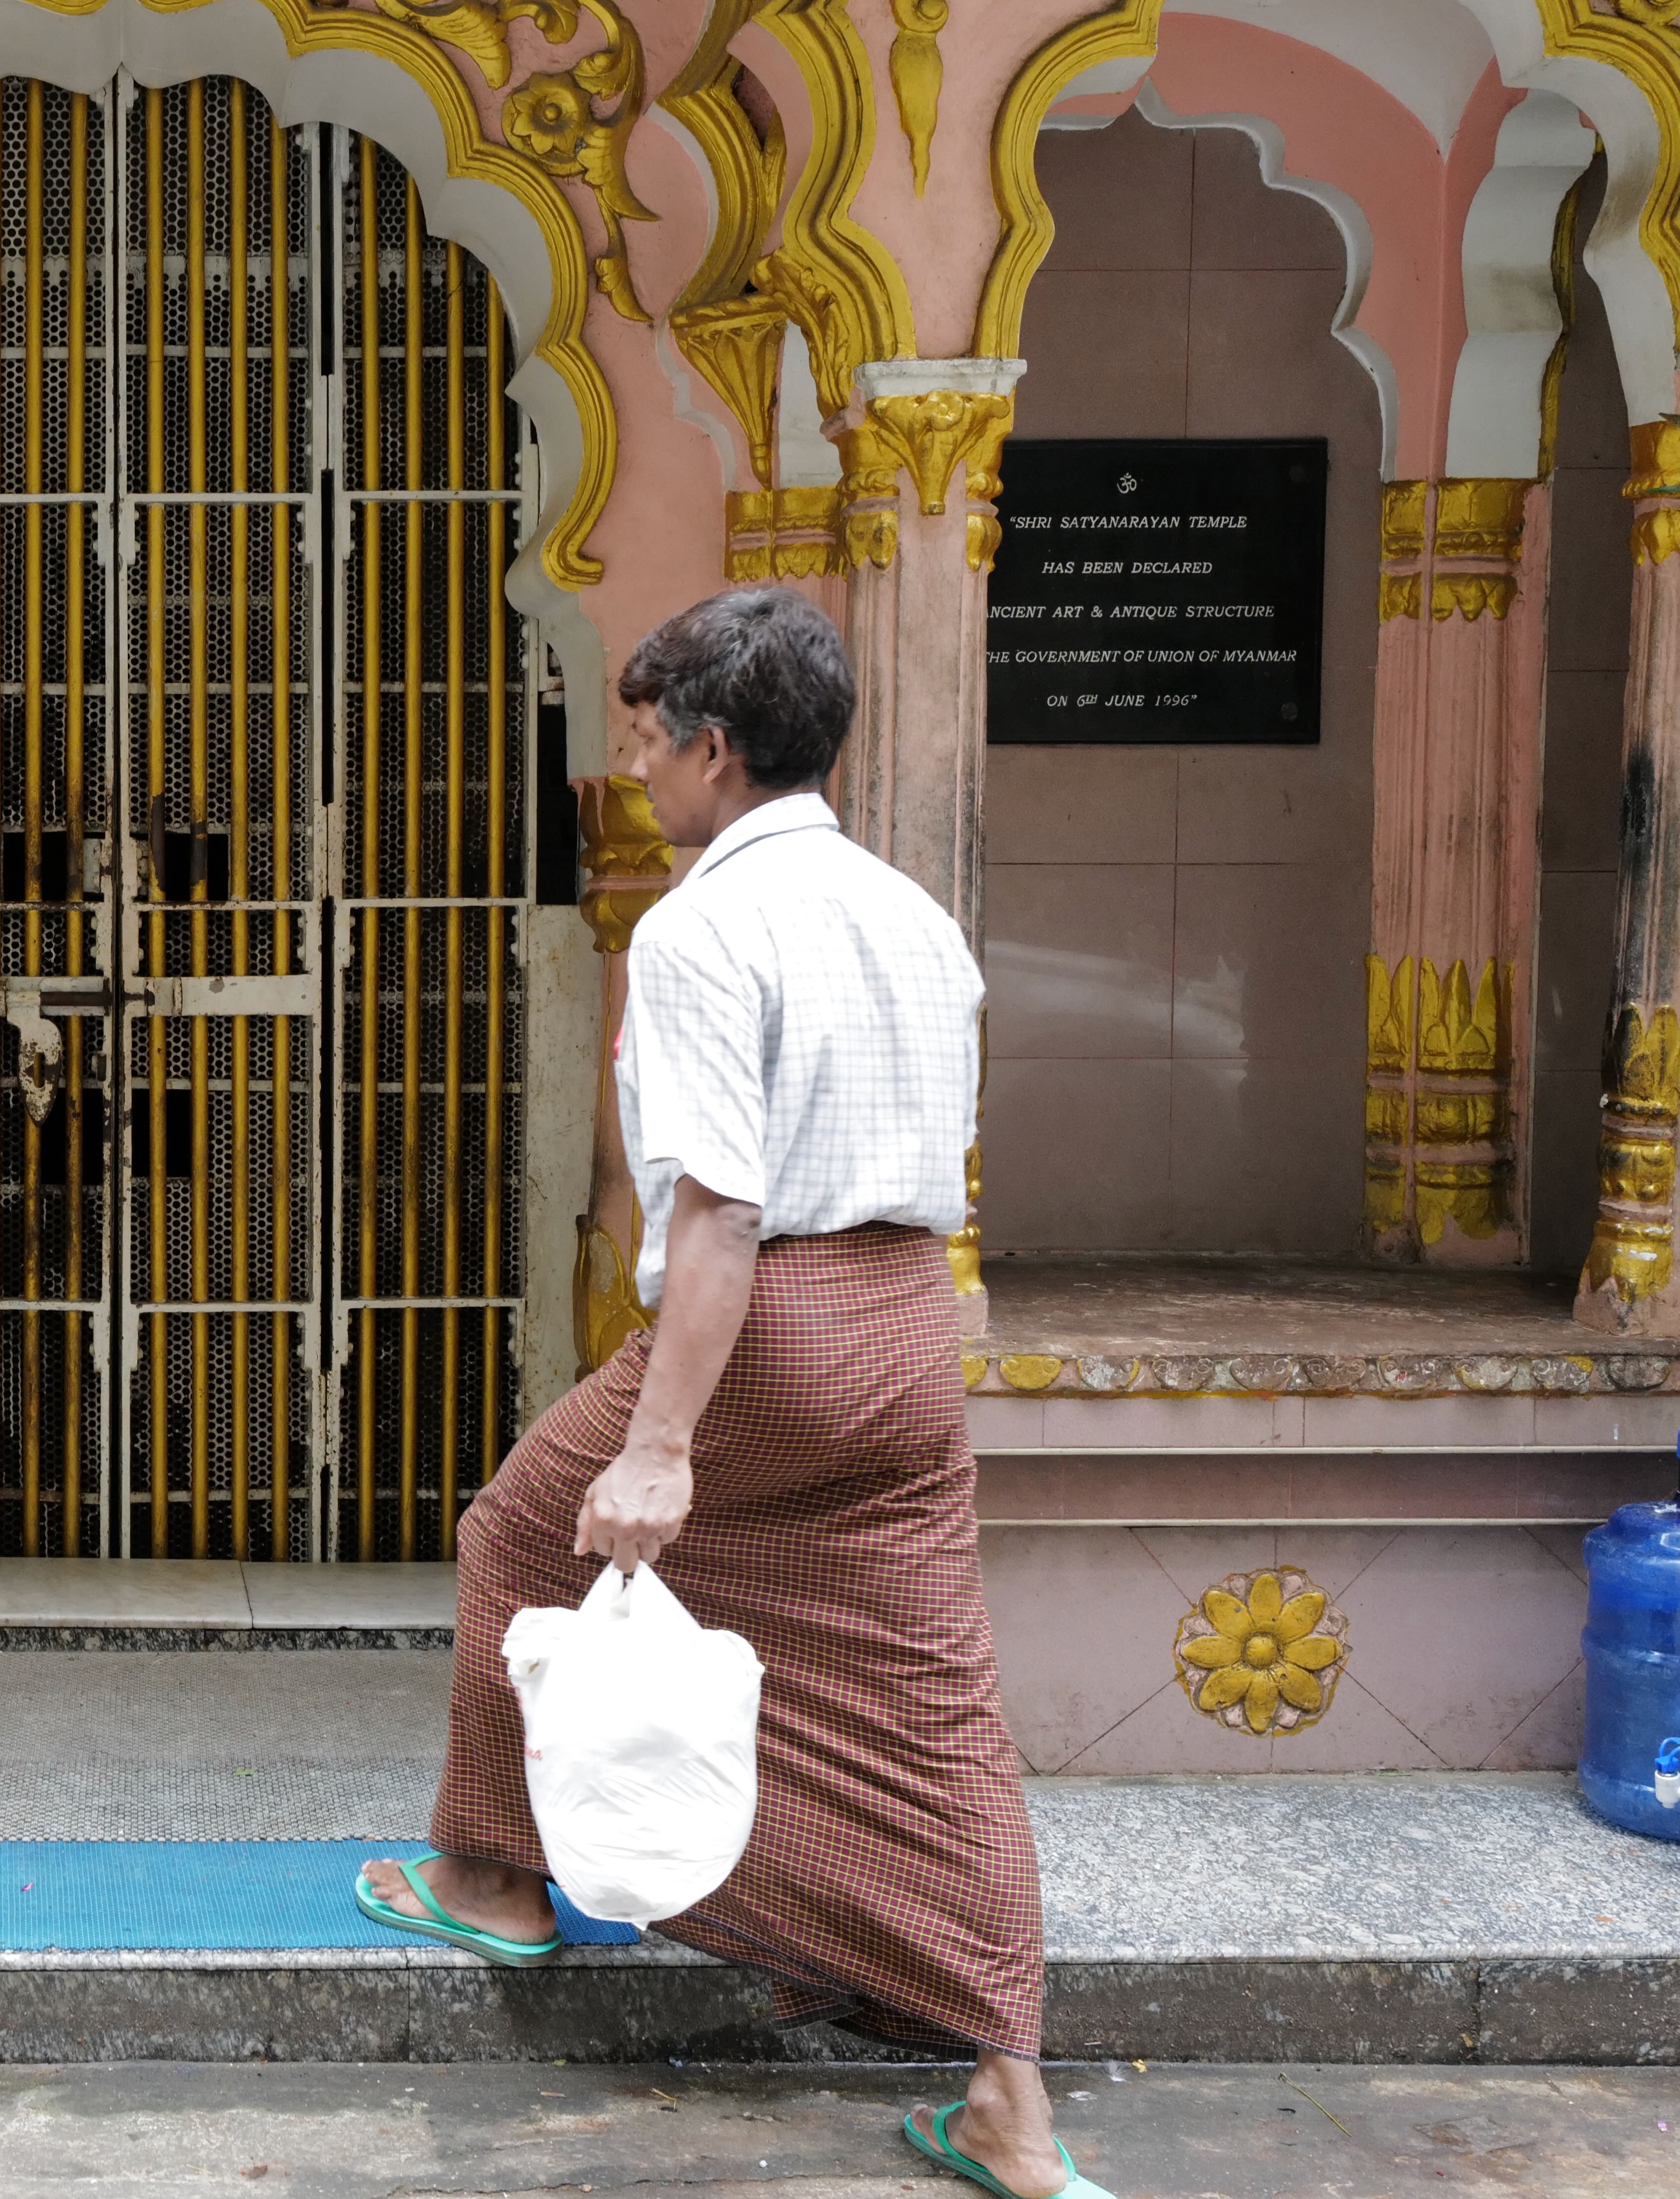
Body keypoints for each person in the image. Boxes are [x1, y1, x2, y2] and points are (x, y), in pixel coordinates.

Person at [356, 591, 1102, 2199]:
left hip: (769, 1327)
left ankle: (492, 1879)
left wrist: (659, 1439)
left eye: (641, 744)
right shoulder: (911, 913)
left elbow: (716, 1209)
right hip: (906, 1331)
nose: (631, 775)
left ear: (711, 747)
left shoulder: (701, 921)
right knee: (924, 1691)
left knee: (517, 1535)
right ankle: (1008, 2105)